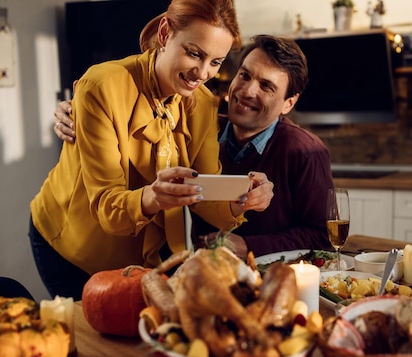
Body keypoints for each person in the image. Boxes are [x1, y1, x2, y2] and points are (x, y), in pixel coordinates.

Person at [31, 0, 274, 299]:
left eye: (216, 62)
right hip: (72, 247)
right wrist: (153, 196)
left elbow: (204, 189)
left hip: (144, 255)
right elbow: (107, 205)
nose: (202, 72)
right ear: (164, 33)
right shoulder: (102, 87)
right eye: (194, 53)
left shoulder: (204, 105)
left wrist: (242, 198)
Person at [54, 33, 334, 260]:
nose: (248, 91)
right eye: (245, 75)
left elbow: (322, 236)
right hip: (203, 267)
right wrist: (72, 110)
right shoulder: (203, 121)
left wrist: (249, 245)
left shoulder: (306, 151)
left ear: (289, 103)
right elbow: (125, 103)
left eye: (266, 86)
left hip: (276, 273)